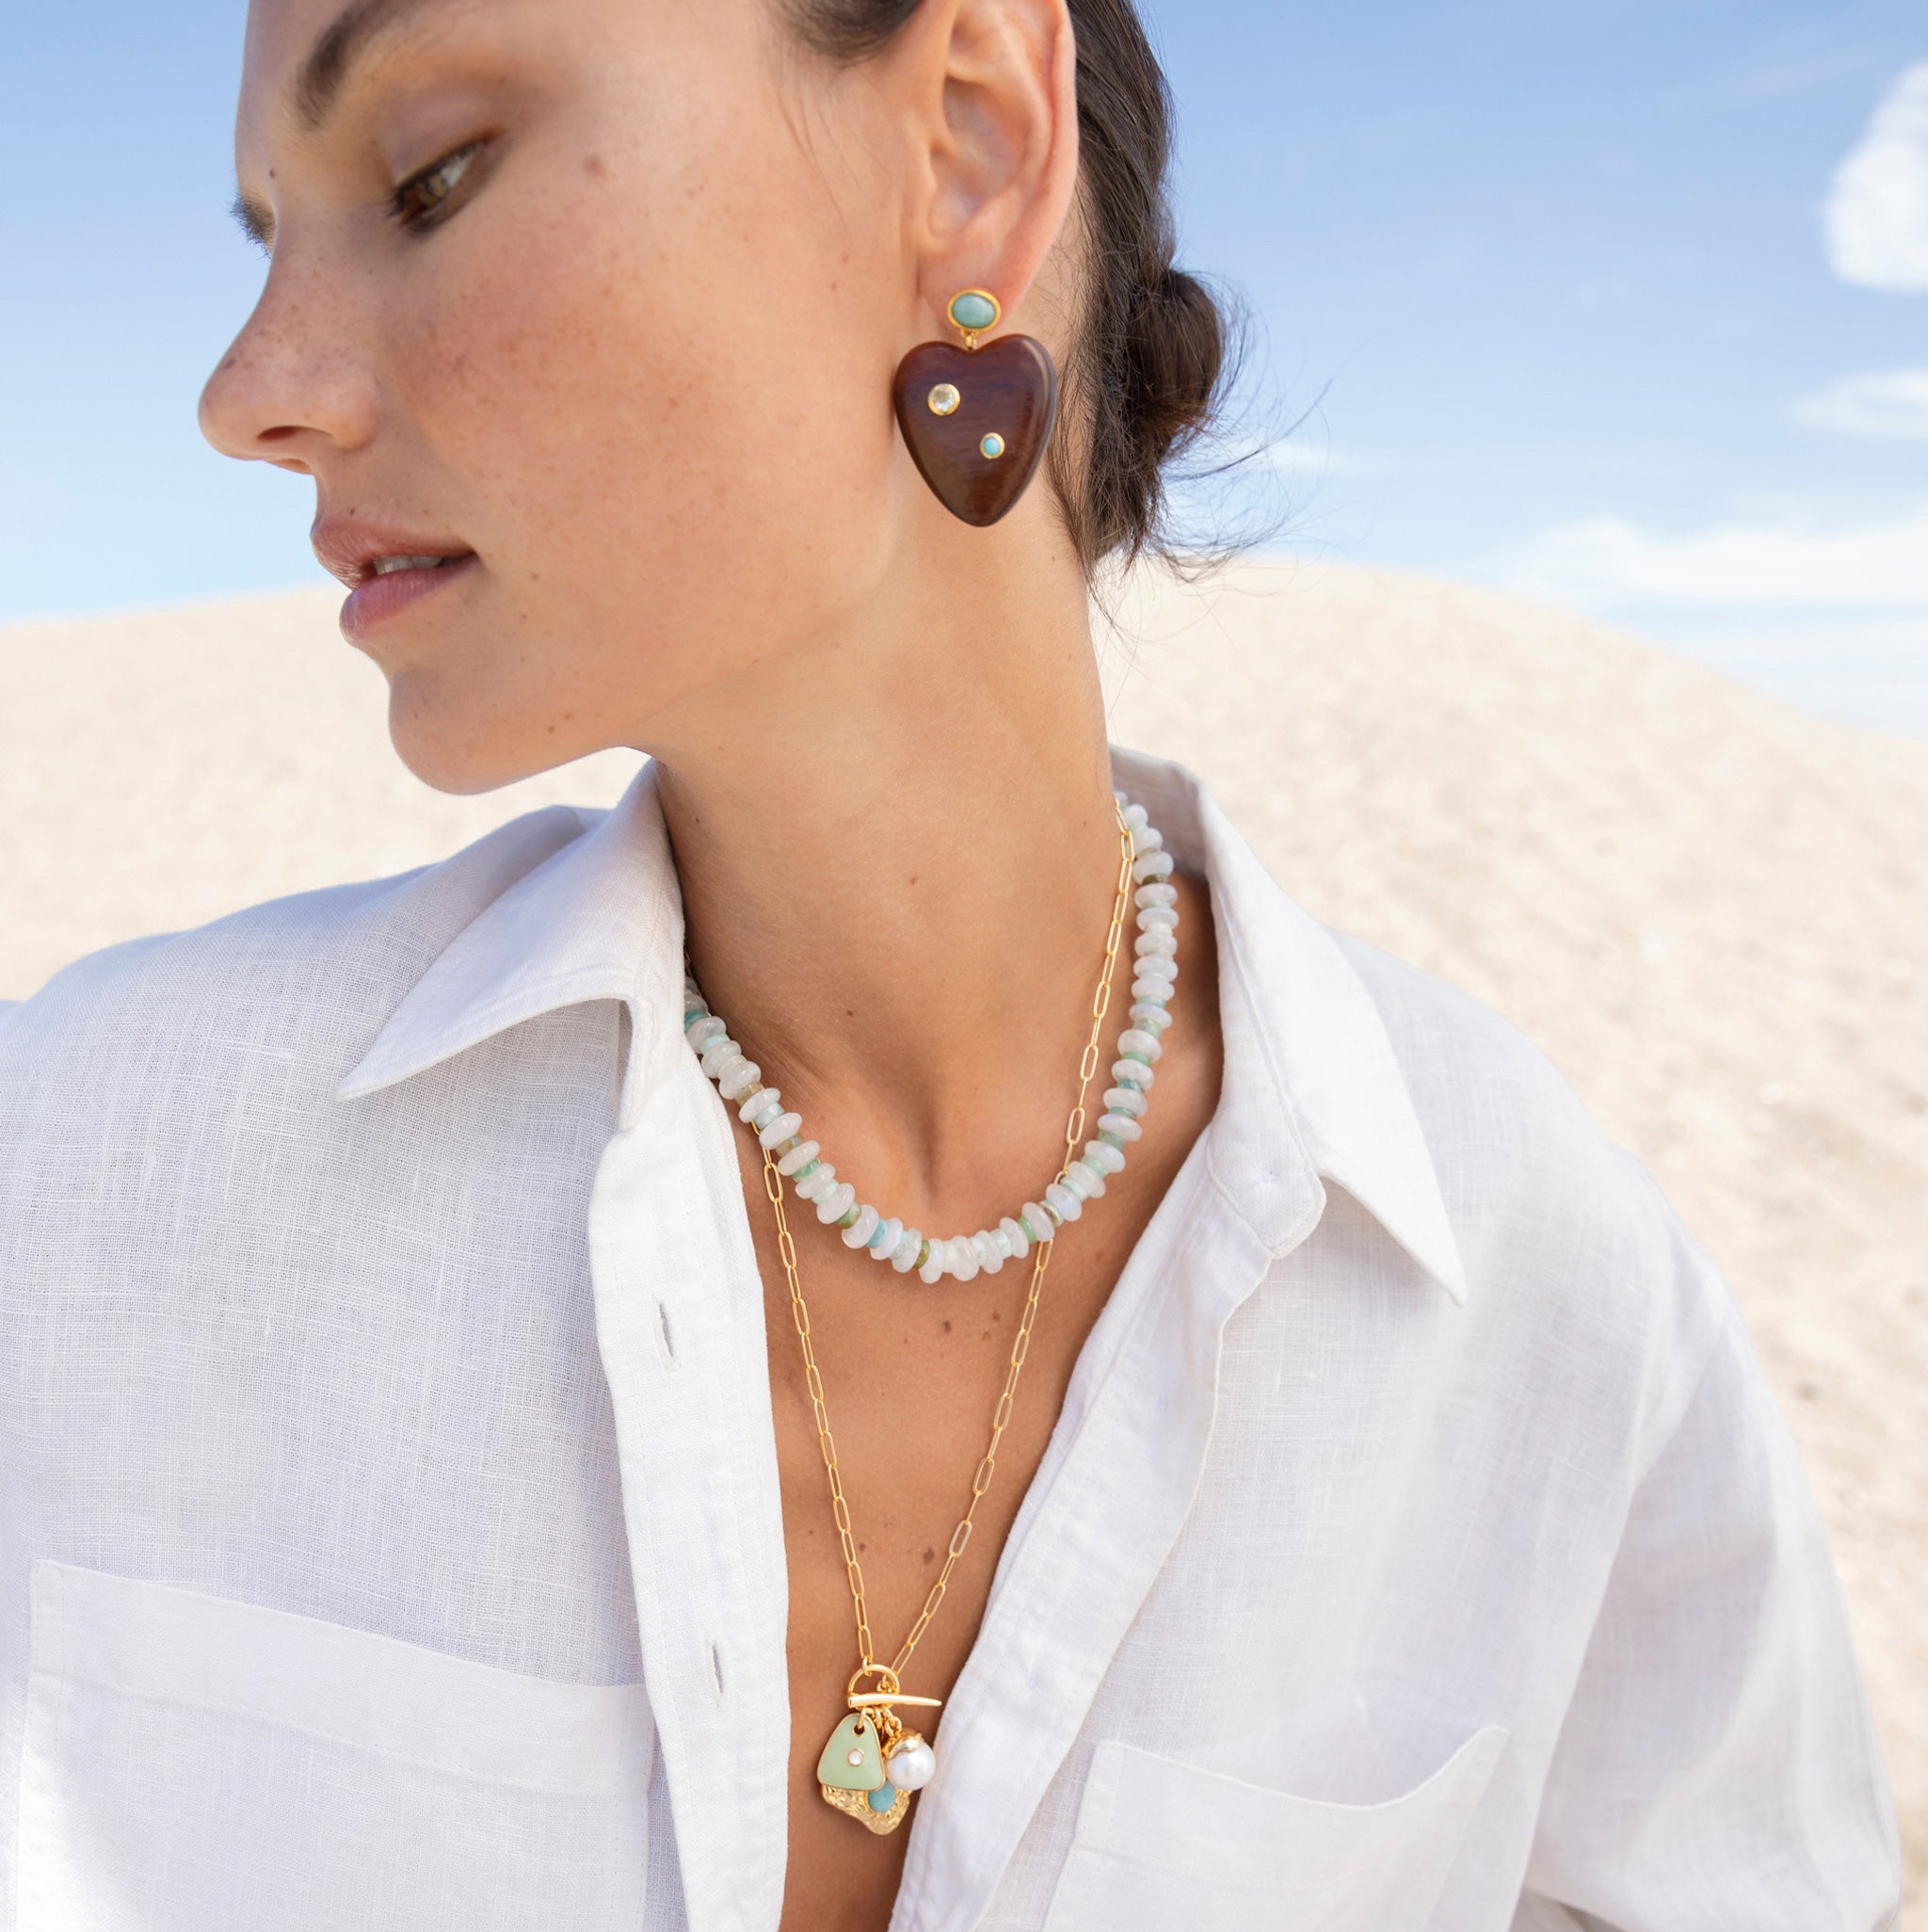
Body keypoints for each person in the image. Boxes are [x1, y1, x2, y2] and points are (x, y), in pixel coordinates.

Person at [0, 0, 1903, 1926]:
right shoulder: (83, 1183)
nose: (250, 393)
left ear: (971, 148)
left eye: (431, 178)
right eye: (270, 235)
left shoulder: (1544, 1307)